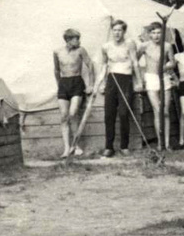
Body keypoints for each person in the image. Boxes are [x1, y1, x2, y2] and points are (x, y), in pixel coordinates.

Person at [100, 19, 141, 158]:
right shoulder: (106, 46)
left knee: (124, 113)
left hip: (126, 79)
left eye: (120, 30)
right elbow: (104, 65)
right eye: (115, 30)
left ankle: (124, 146)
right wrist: (102, 83)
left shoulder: (130, 43)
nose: (117, 33)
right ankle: (108, 147)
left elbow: (135, 62)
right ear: (112, 31)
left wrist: (138, 81)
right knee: (109, 114)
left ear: (124, 31)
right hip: (111, 79)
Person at [53, 28, 93, 158]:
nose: (79, 41)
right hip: (64, 84)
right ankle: (67, 149)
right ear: (68, 40)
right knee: (64, 116)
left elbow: (90, 65)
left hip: (77, 82)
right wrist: (59, 85)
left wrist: (90, 84)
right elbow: (56, 70)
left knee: (73, 113)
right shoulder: (57, 52)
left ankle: (76, 146)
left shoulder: (81, 50)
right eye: (76, 39)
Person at [139, 22, 177, 150]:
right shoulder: (144, 46)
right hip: (151, 78)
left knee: (165, 111)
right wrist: (141, 77)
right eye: (153, 33)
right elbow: (135, 61)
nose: (156, 35)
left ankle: (167, 143)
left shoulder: (167, 46)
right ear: (149, 34)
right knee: (158, 110)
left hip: (164, 78)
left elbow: (173, 62)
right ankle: (160, 143)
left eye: (159, 33)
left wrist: (166, 66)